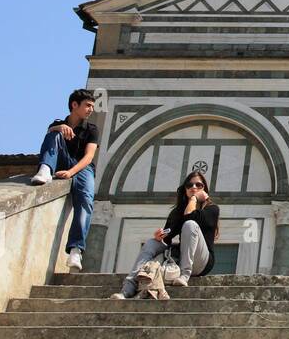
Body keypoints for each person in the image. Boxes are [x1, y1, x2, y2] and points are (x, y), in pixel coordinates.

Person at [113, 170, 219, 298]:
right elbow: (167, 238)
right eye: (189, 185)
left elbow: (190, 216)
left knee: (190, 224)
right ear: (184, 189)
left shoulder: (212, 209)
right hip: (181, 258)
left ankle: (185, 276)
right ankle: (128, 288)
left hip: (202, 262)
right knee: (152, 242)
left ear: (204, 190)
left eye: (198, 185)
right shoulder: (177, 212)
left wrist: (194, 199)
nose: (193, 187)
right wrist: (160, 237)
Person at [29, 89, 100, 271]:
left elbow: (89, 157)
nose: (91, 109)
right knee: (53, 134)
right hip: (62, 159)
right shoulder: (58, 123)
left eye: (92, 106)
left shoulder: (91, 129)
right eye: (87, 105)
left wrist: (71, 172)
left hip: (81, 167)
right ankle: (45, 169)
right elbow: (49, 139)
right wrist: (57, 128)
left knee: (85, 201)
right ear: (74, 105)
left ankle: (76, 249)